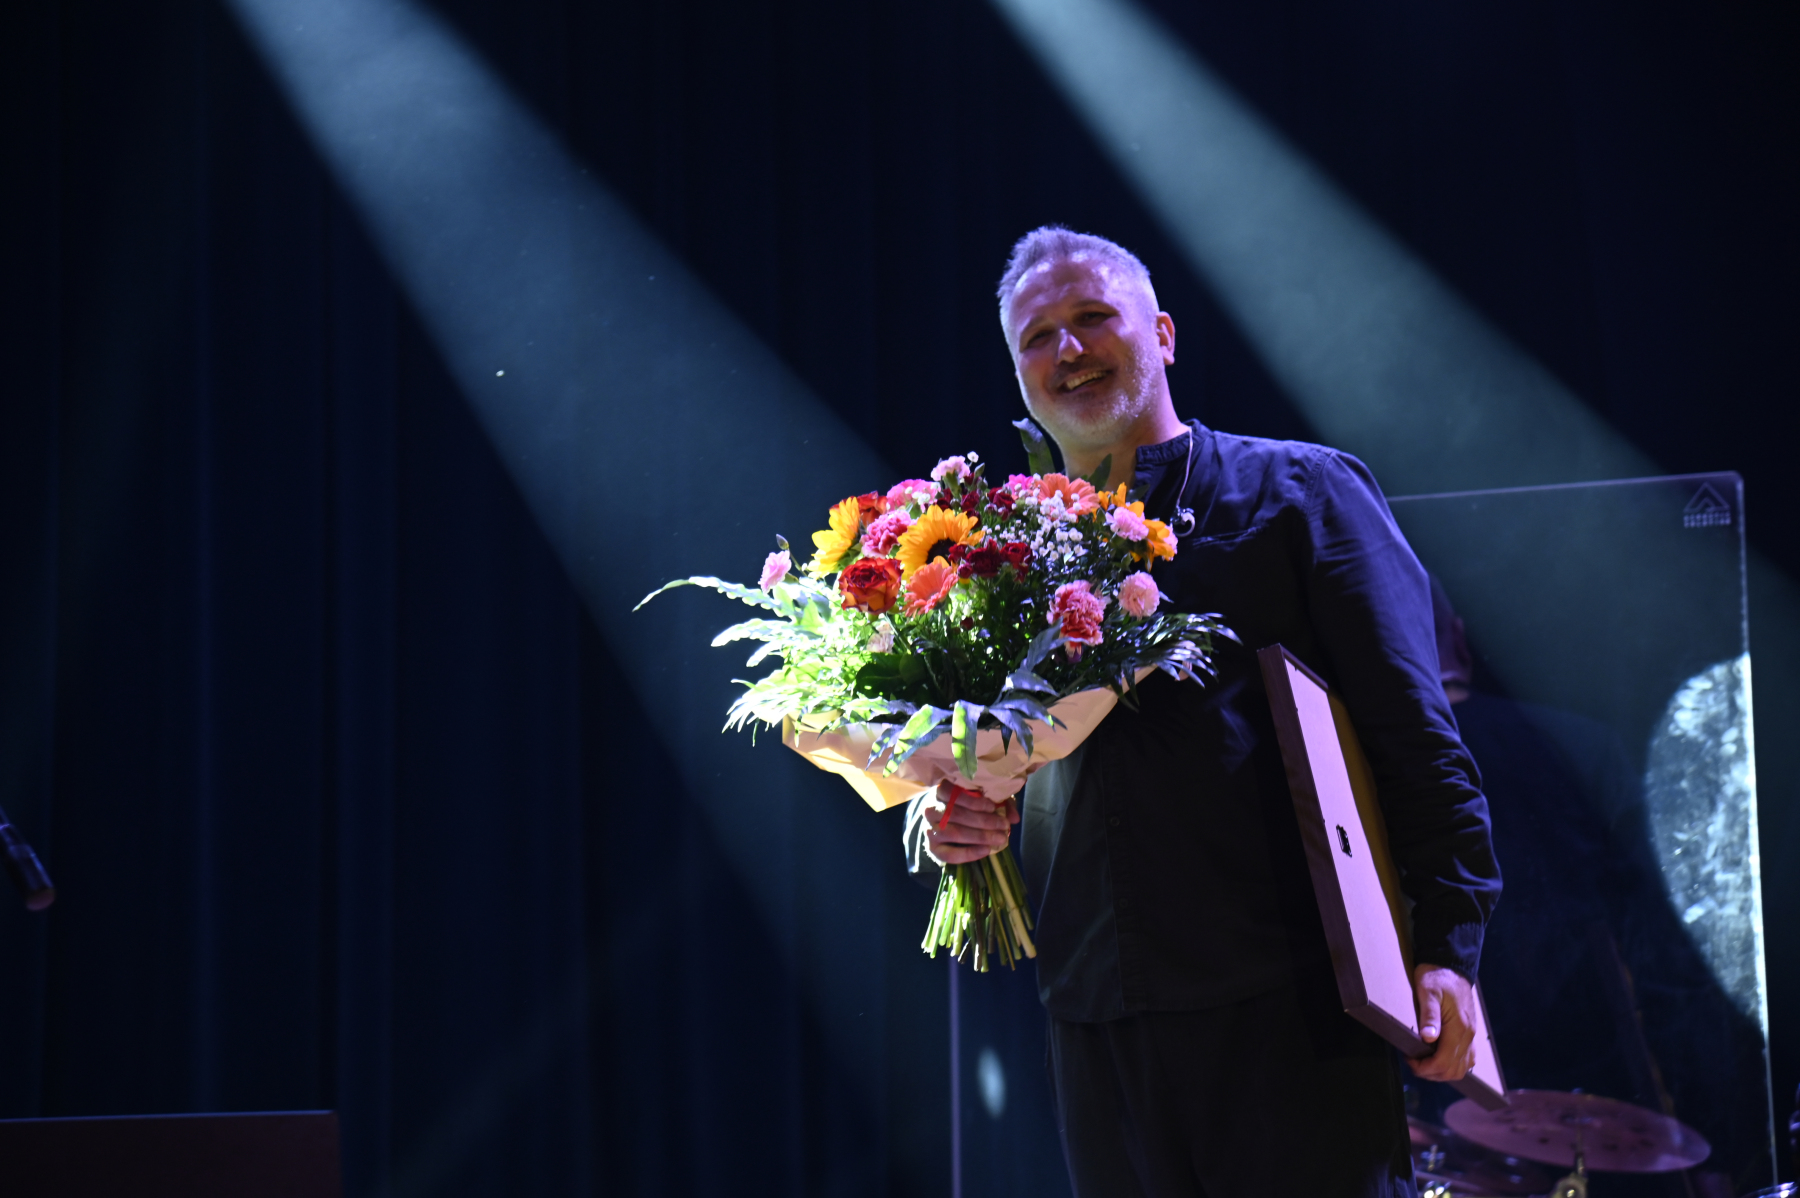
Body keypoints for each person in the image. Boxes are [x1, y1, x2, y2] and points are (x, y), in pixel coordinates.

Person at [907, 228, 1502, 1197]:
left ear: (1165, 335)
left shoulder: (1303, 494)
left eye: (1093, 316)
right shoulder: (1001, 565)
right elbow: (1012, 768)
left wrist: (1447, 949)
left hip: (1292, 1007)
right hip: (1095, 1019)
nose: (1068, 348)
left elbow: (1418, 739)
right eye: (1037, 336)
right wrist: (967, 817)